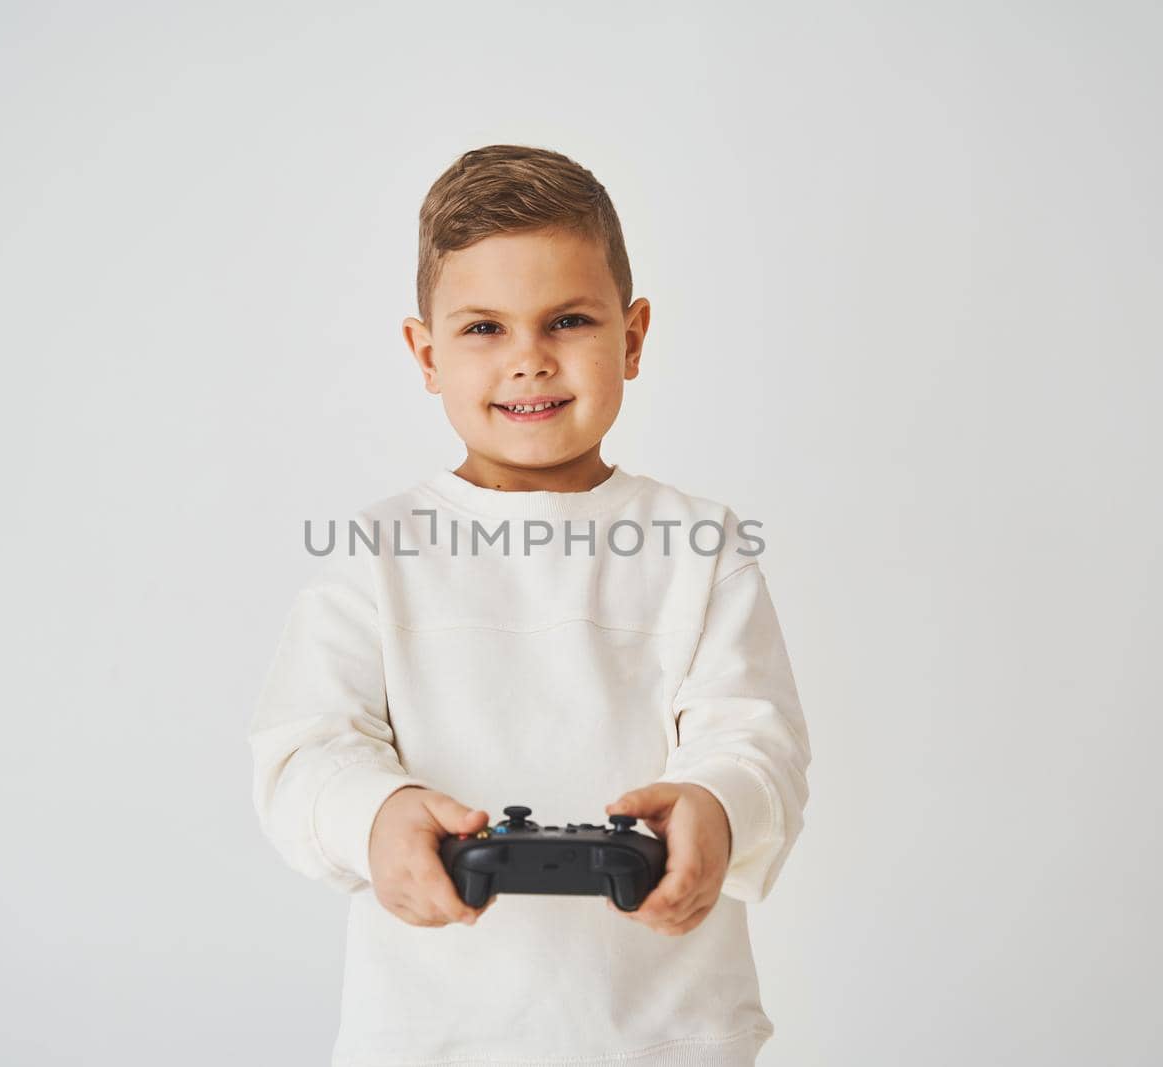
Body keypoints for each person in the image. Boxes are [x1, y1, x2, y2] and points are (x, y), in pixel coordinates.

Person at [247, 144, 812, 1066]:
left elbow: (758, 738)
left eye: (568, 320)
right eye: (483, 330)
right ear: (425, 353)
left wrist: (717, 804)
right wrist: (376, 814)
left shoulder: (700, 546)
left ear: (631, 338)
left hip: (665, 1032)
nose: (530, 362)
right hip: (431, 1034)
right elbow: (305, 749)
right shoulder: (377, 553)